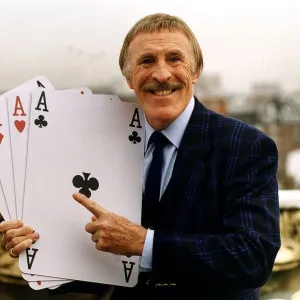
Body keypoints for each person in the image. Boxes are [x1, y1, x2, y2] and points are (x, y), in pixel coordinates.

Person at [0, 13, 280, 300]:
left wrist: (145, 244)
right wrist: (38, 248)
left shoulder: (245, 145)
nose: (161, 73)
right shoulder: (102, 144)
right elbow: (99, 264)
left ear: (196, 71)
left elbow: (254, 257)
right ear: (129, 78)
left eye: (174, 58)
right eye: (146, 61)